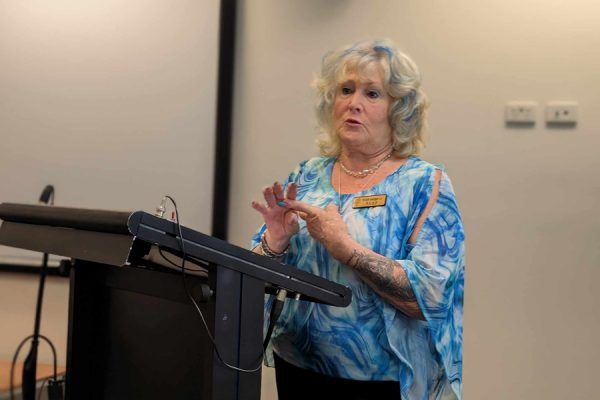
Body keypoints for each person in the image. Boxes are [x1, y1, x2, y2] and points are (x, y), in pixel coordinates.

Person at [251, 40, 464, 400]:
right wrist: (275, 242)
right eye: (345, 90)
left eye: (373, 94)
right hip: (298, 367)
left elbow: (429, 299)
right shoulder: (307, 175)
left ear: (400, 109)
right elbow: (256, 273)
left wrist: (344, 248)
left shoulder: (425, 183)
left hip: (382, 381)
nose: (354, 103)